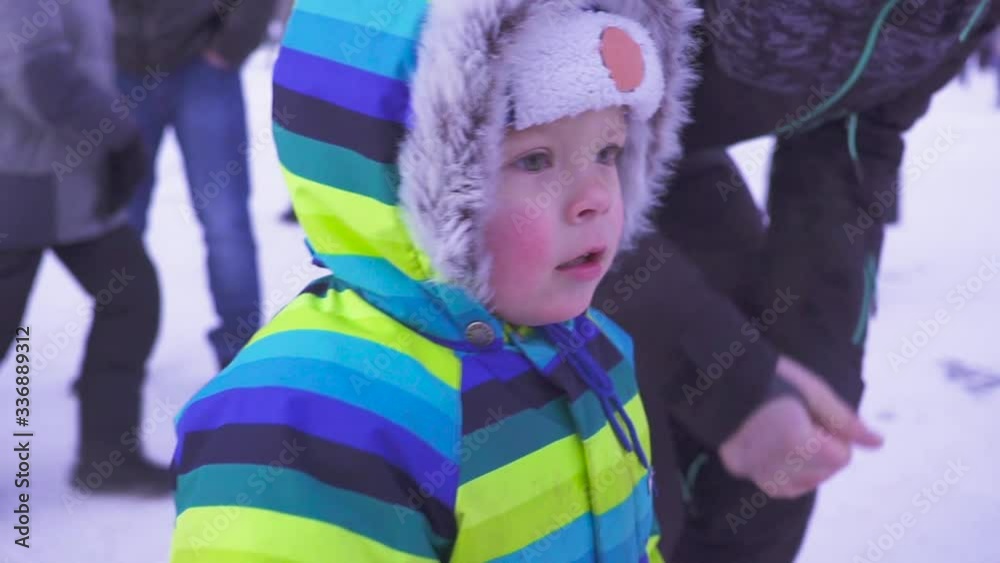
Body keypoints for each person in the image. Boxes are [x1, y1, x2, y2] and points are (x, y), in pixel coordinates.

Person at [168, 1, 697, 560]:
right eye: (536, 160)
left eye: (607, 151)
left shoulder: (596, 352)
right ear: (401, 182)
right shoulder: (309, 423)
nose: (596, 197)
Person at [596, 1, 1000, 561]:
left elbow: (863, 119)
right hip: (512, 149)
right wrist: (733, 385)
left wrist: (817, 348)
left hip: (668, 151)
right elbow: (505, 115)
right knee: (625, 467)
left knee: (786, 458)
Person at [0, 1, 170, 493]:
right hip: (18, 186)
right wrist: (119, 134)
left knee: (131, 298)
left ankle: (108, 460)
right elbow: (38, 75)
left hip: (72, 184)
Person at [110, 0, 276, 369]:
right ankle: (115, 356)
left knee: (225, 221)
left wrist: (230, 45)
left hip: (203, 68)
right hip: (120, 72)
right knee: (120, 224)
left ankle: (240, 357)